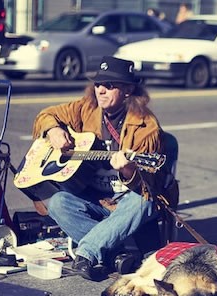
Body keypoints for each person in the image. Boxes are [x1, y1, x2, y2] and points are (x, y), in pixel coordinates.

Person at [30, 56, 172, 281]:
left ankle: (87, 253)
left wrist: (128, 171)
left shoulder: (146, 127)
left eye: (109, 85)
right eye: (98, 85)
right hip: (94, 199)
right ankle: (115, 255)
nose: (101, 90)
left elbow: (151, 187)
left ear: (128, 90)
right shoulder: (86, 109)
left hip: (127, 204)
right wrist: (53, 130)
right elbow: (45, 115)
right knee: (58, 202)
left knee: (143, 203)